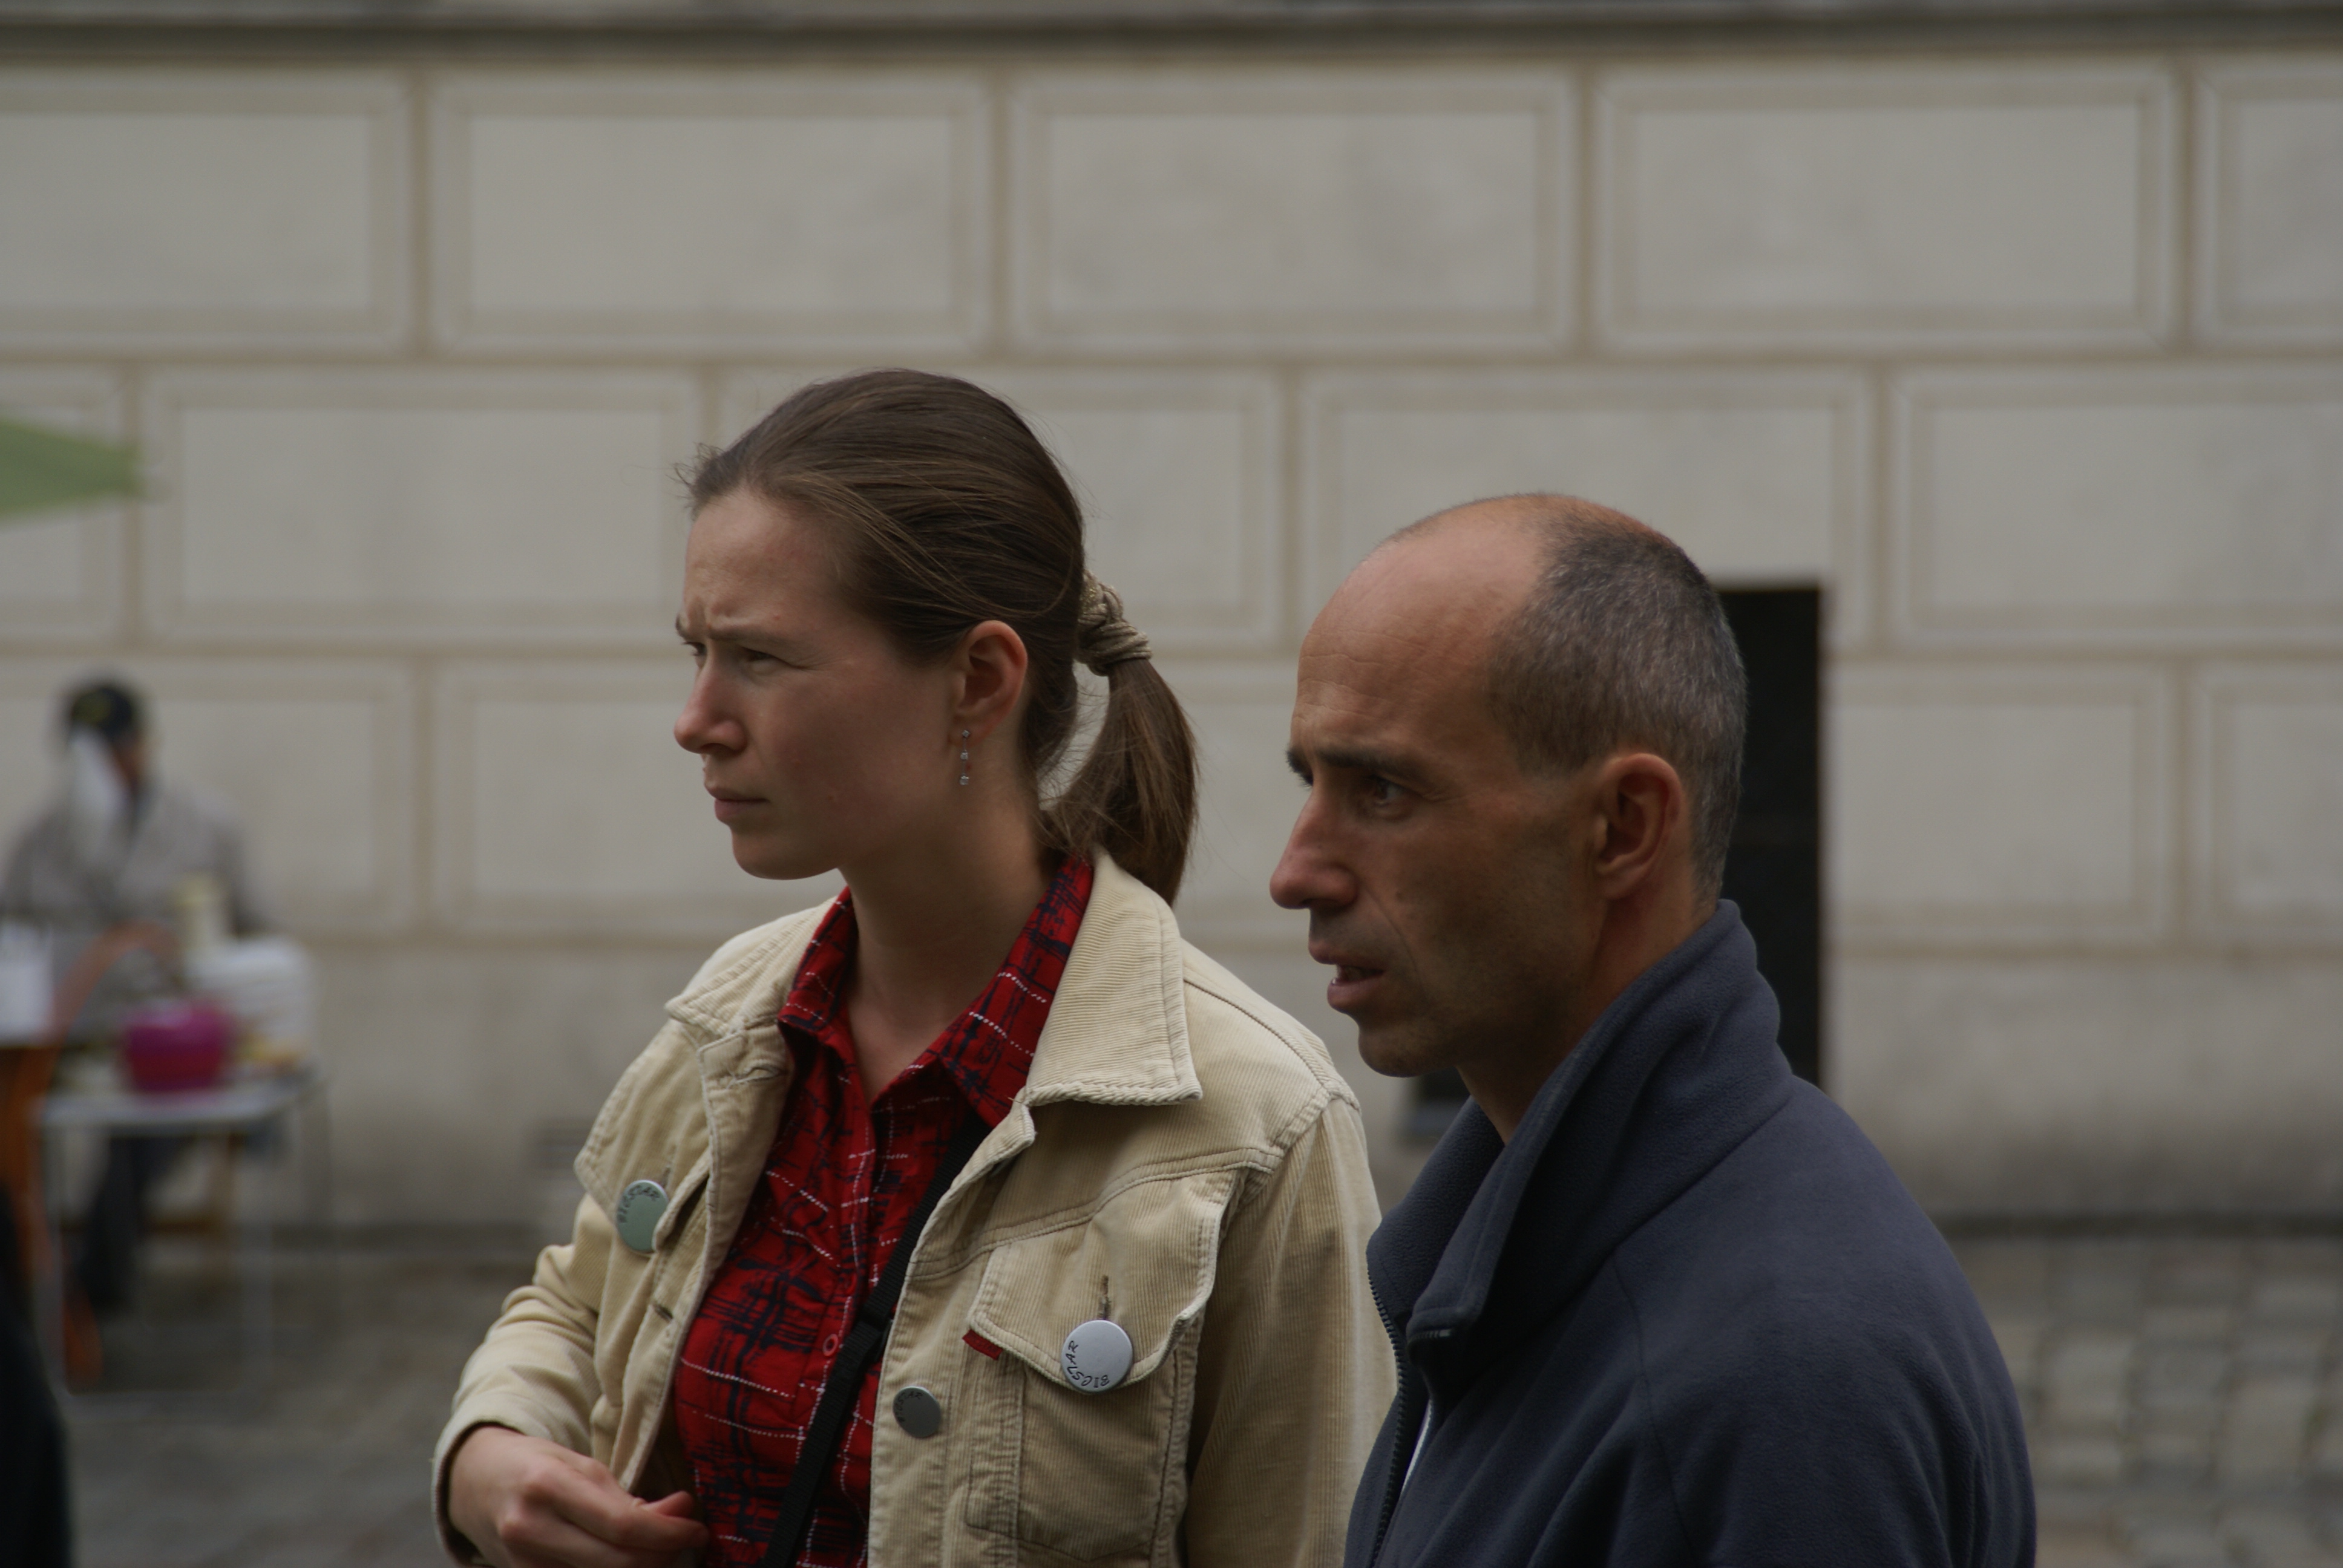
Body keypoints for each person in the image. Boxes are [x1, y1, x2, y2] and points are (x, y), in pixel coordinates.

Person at [436, 369, 1389, 1568]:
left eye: (759, 658)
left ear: (979, 681)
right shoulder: (735, 1018)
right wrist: (492, 1450)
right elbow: (580, 1307)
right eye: (697, 651)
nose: (696, 717)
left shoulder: (1254, 1126)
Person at [1273, 495, 2034, 1568]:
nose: (1296, 872)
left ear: (1623, 827)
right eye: (1311, 783)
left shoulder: (1779, 1387)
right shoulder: (1531, 1258)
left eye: (1384, 791)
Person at [2, 676, 271, 1313]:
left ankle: (95, 1286)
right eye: (89, 753)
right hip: (69, 1040)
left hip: (173, 1046)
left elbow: (261, 934)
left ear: (144, 745)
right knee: (13, 1133)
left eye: (117, 749)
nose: (106, 767)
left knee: (141, 1143)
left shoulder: (205, 827)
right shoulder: (41, 844)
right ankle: (25, 1289)